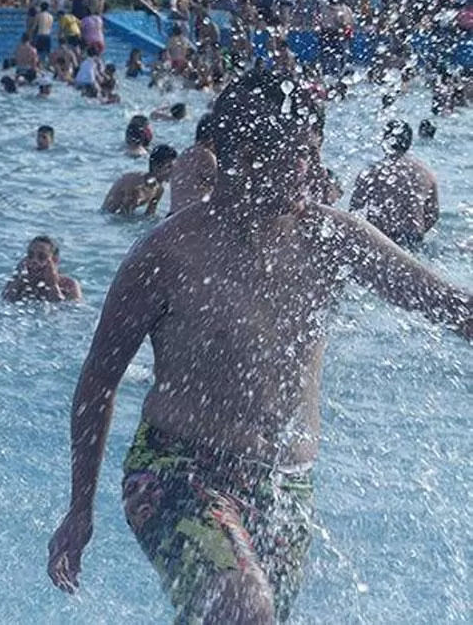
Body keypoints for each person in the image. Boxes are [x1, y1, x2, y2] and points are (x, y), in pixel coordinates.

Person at [47, 68, 473, 624]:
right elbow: (99, 380)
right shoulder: (168, 254)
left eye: (313, 151)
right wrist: (80, 508)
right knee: (245, 609)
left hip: (286, 489)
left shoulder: (330, 238)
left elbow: (447, 304)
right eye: (300, 153)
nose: (314, 171)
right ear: (246, 152)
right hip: (178, 470)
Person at [350, 120, 440, 247]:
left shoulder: (371, 173)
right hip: (413, 238)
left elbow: (354, 212)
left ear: (385, 141)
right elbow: (433, 215)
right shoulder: (426, 173)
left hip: (381, 238)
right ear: (409, 143)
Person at [101, 145, 178, 216]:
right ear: (156, 167)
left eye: (174, 167)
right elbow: (122, 216)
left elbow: (150, 215)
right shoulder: (138, 188)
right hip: (107, 215)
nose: (173, 171)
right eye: (169, 167)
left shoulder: (159, 189)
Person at [2, 236, 81, 303]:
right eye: (30, 256)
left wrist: (52, 285)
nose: (34, 261)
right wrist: (18, 279)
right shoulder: (18, 282)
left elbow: (67, 311)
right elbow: (5, 301)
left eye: (42, 257)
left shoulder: (69, 285)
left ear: (54, 260)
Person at [168, 113, 219, 214]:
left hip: (173, 216)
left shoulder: (185, 153)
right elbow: (223, 187)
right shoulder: (206, 155)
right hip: (190, 218)